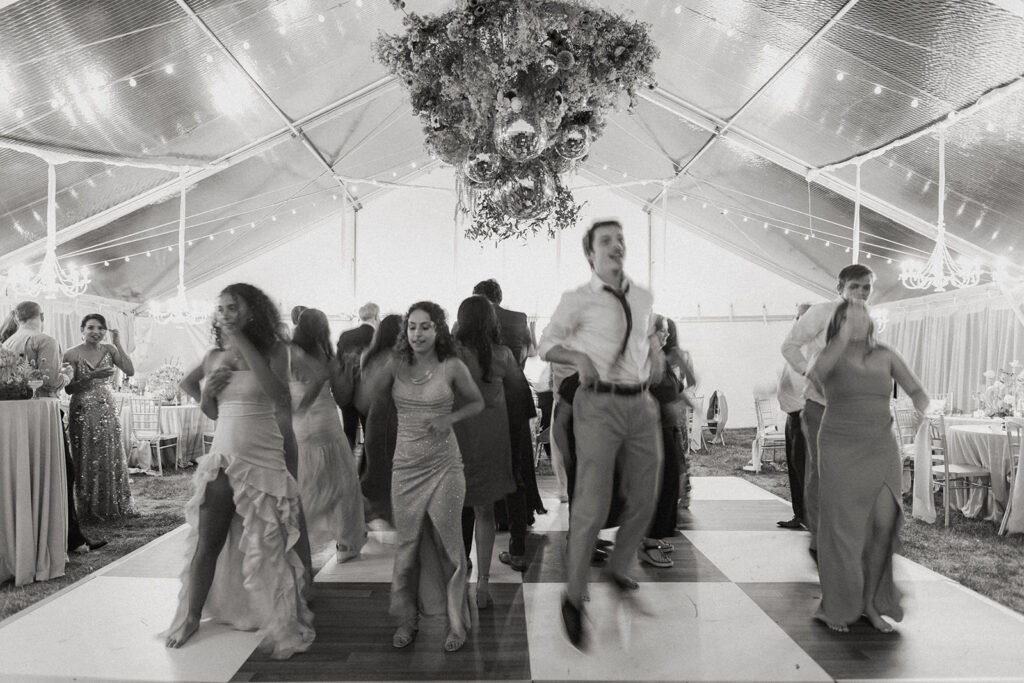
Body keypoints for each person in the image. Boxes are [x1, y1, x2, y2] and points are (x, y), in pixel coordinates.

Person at [163, 283, 314, 658]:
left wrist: (241, 343)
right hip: (224, 456)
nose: (225, 314)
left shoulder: (275, 350)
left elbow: (279, 396)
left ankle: (279, 611)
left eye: (234, 307)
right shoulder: (214, 355)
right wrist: (209, 392)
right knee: (207, 541)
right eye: (222, 308)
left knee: (271, 543)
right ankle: (190, 615)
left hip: (264, 457)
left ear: (253, 312)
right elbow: (211, 411)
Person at [539, 218, 665, 651]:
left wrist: (655, 359)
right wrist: (577, 356)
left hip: (640, 404)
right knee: (591, 505)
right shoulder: (577, 299)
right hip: (598, 405)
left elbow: (641, 342)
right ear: (590, 253)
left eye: (620, 239)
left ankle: (618, 567)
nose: (616, 246)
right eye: (605, 241)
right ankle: (573, 597)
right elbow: (545, 344)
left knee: (646, 496)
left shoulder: (644, 296)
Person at [360, 301, 483, 652]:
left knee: (450, 545)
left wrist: (450, 419)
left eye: (425, 326)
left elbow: (475, 403)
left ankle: (456, 622)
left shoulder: (452, 366)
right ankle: (408, 618)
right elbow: (366, 397)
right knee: (407, 545)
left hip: (445, 465)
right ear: (405, 331)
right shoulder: (396, 365)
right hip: (406, 467)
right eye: (412, 327)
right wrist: (369, 372)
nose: (417, 333)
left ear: (438, 329)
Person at [808, 299, 927, 633]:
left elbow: (916, 390)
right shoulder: (830, 352)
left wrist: (922, 411)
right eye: (848, 316)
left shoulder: (886, 354)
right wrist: (842, 340)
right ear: (839, 322)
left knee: (883, 525)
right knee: (842, 528)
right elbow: (815, 379)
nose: (857, 319)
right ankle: (836, 604)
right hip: (839, 444)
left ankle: (870, 603)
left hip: (881, 445)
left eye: (862, 313)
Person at [781, 263, 874, 560]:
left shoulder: (868, 319)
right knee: (821, 473)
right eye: (854, 287)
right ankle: (819, 537)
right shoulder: (820, 312)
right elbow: (789, 346)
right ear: (840, 288)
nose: (860, 293)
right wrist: (810, 371)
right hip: (819, 406)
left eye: (866, 287)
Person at [1, 302, 105, 553]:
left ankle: (36, 533)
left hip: (20, 418)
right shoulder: (44, 339)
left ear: (17, 317)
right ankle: (70, 537)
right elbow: (50, 382)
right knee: (62, 471)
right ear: (42, 316)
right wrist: (67, 375)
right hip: (44, 415)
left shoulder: (8, 343)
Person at [452, 295, 523, 604]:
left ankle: (457, 573)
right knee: (485, 512)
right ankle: (482, 583)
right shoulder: (503, 355)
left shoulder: (451, 355)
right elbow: (519, 390)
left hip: (456, 438)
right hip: (491, 440)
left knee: (454, 510)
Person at [289, 308, 365, 562]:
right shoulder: (327, 358)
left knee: (305, 484)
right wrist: (350, 373)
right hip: (327, 425)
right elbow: (343, 396)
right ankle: (345, 544)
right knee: (342, 485)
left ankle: (296, 537)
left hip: (301, 426)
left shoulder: (288, 354)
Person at [63, 313, 137, 521]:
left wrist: (118, 343)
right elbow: (68, 389)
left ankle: (113, 503)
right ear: (82, 330)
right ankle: (88, 508)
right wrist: (91, 376)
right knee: (85, 453)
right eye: (91, 327)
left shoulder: (109, 350)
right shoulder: (71, 353)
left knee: (109, 452)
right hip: (81, 409)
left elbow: (130, 370)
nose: (96, 332)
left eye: (100, 328)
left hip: (106, 406)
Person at [355, 314, 403, 528]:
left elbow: (362, 400)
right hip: (392, 423)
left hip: (376, 421)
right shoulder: (395, 359)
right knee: (390, 474)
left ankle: (373, 515)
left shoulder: (371, 357)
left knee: (379, 472)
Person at [777, 303, 812, 530]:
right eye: (797, 317)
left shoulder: (813, 347)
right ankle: (800, 514)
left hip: (805, 414)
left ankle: (812, 517)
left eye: (804, 318)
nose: (798, 322)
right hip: (792, 415)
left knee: (804, 468)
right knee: (794, 466)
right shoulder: (795, 346)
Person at [337, 302, 380, 450]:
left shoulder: (345, 336)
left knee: (348, 432)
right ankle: (367, 469)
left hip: (347, 389)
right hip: (368, 393)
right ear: (376, 316)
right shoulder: (378, 337)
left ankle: (347, 468)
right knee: (370, 434)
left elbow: (338, 364)